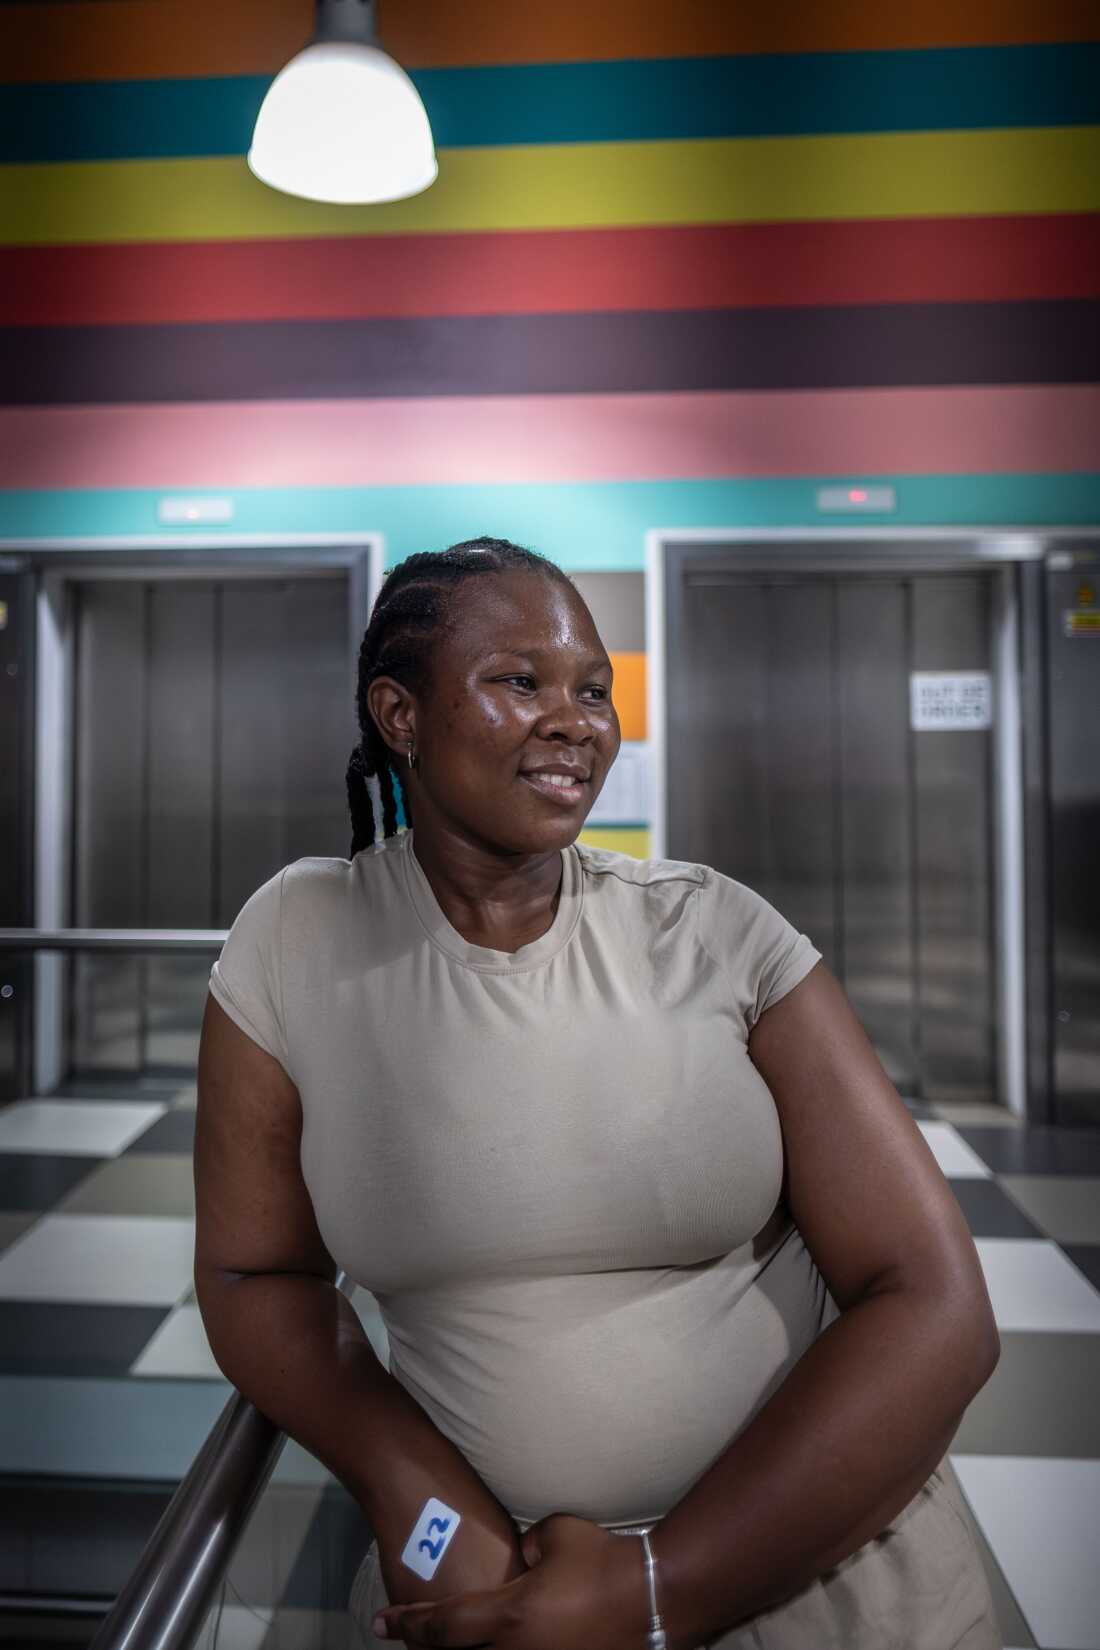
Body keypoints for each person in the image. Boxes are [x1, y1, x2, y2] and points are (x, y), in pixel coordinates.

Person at [194, 537, 1003, 1650]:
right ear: (400, 715)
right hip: (501, 1603)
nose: (575, 721)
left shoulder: (714, 930)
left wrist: (654, 1592)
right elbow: (256, 1272)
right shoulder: (295, 942)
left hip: (835, 1579)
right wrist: (409, 1486)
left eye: (593, 688)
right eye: (519, 683)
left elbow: (936, 1303)